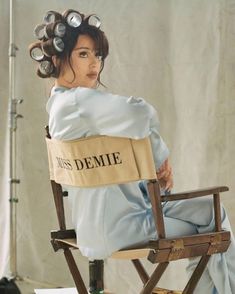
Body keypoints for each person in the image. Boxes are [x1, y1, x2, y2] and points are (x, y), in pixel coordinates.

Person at [29, 9, 235, 294]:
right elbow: (141, 113)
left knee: (211, 212)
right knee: (215, 230)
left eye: (98, 55)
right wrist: (161, 158)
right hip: (122, 227)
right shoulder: (79, 103)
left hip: (102, 221)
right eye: (84, 54)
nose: (95, 64)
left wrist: (151, 161)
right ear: (57, 59)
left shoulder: (60, 107)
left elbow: (132, 128)